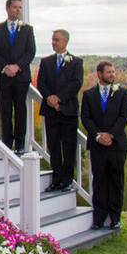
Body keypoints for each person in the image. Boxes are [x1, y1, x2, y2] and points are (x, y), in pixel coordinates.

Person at [80, 61, 127, 230]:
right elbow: (86, 118)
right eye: (108, 72)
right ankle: (99, 219)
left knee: (116, 181)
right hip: (97, 145)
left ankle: (115, 218)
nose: (112, 74)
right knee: (99, 181)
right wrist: (98, 136)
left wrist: (110, 135)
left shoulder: (123, 93)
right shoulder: (88, 95)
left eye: (113, 72)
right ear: (99, 74)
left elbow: (124, 117)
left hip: (117, 145)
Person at [36, 29, 83, 191]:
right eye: (52, 40)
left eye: (57, 40)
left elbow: (76, 84)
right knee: (53, 145)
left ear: (65, 42)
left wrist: (59, 100)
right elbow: (41, 83)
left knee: (69, 146)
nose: (53, 42)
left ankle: (67, 180)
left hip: (68, 111)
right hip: (50, 111)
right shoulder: (46, 61)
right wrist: (50, 99)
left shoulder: (76, 62)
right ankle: (56, 179)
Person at [0, 0, 36, 153]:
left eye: (20, 7)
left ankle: (20, 144)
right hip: (3, 76)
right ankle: (7, 143)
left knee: (21, 110)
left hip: (21, 77)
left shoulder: (28, 29)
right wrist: (6, 67)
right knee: (5, 110)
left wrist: (17, 67)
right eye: (15, 7)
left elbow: (30, 52)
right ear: (7, 8)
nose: (18, 10)